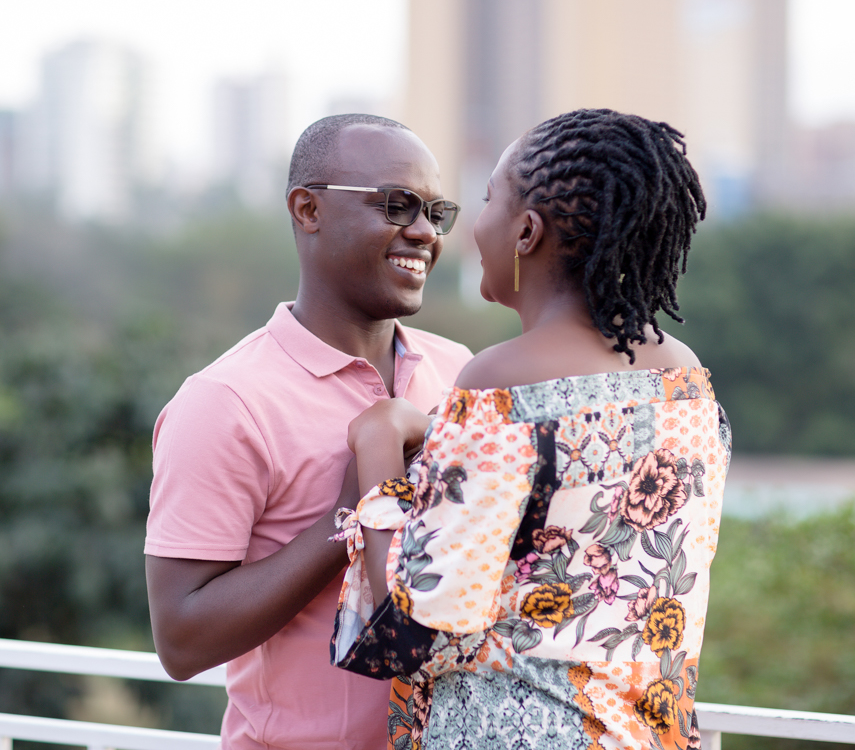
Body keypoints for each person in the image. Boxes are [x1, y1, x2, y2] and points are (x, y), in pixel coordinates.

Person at [332, 109, 731, 750]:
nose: (469, 227)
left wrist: (378, 441)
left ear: (526, 232)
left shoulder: (499, 385)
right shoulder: (685, 382)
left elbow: (409, 625)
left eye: (488, 199)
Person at [145, 114, 474, 750]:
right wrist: (352, 514)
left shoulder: (460, 370)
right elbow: (182, 640)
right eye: (397, 205)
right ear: (307, 209)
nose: (424, 232)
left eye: (438, 211)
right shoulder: (226, 402)